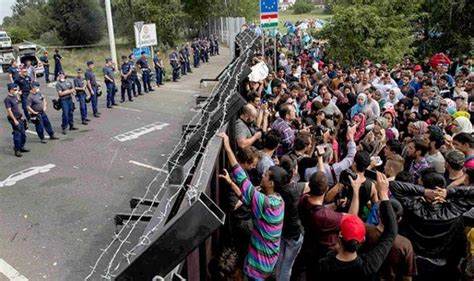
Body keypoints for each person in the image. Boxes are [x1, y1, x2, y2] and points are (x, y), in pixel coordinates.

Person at [218, 132, 286, 281]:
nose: (262, 175)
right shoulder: (279, 201)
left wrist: (228, 147)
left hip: (258, 266)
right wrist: (231, 183)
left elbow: (241, 177)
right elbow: (246, 198)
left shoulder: (265, 203)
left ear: (271, 183)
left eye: (266, 175)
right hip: (269, 262)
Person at [390, 171, 474, 281]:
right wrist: (448, 192)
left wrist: (424, 192)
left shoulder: (415, 207)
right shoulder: (455, 209)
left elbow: (394, 185)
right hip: (443, 263)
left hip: (416, 260)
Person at [318, 172, 398, 281]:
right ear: (362, 239)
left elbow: (351, 221)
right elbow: (391, 232)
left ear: (340, 234)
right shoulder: (369, 265)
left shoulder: (324, 266)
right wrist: (384, 194)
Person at [4, 83, 28, 157]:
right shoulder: (7, 99)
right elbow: (9, 110)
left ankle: (21, 147)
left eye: (16, 89)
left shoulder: (15, 97)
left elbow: (18, 106)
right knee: (17, 135)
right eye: (15, 90)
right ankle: (17, 150)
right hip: (14, 119)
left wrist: (22, 116)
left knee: (23, 135)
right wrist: (14, 120)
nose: (16, 91)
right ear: (10, 90)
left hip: (19, 118)